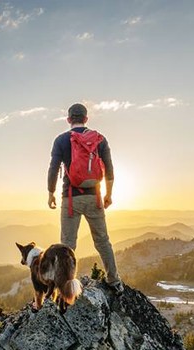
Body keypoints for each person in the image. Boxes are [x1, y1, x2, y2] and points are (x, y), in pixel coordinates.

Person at [47, 103, 123, 293]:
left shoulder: (61, 140)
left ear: (69, 119)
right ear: (86, 119)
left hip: (70, 199)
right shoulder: (100, 139)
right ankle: (114, 281)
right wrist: (109, 194)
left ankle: (65, 287)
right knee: (103, 241)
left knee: (67, 245)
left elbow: (53, 168)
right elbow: (110, 169)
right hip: (94, 198)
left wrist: (51, 193)